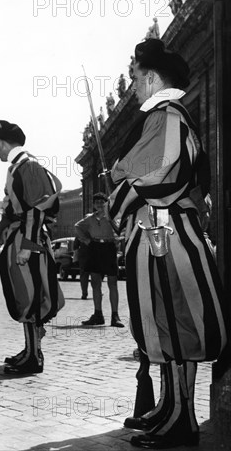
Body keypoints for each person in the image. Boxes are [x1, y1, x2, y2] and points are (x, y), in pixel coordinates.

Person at [108, 39, 228, 449]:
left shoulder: (166, 115)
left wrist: (118, 189)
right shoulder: (167, 116)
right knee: (166, 323)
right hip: (165, 230)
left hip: (167, 233)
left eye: (137, 79)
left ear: (154, 78)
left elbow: (154, 176)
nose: (134, 88)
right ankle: (171, 407)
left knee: (177, 324)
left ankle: (182, 419)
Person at [0, 119, 64, 375]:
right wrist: (0, 232)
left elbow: (37, 209)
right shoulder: (17, 167)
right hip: (19, 237)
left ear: (2, 143)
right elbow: (14, 208)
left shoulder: (28, 166)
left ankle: (34, 357)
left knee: (31, 297)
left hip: (28, 240)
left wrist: (27, 247)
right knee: (24, 295)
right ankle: (31, 349)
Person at [75, 193, 123, 327]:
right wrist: (86, 240)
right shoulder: (89, 219)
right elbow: (77, 227)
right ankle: (98, 314)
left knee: (112, 282)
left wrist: (117, 240)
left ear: (106, 203)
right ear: (94, 205)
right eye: (97, 202)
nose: (99, 205)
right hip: (95, 248)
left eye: (102, 202)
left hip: (109, 248)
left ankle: (115, 316)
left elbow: (121, 229)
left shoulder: (112, 216)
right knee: (95, 283)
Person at [73, 235, 90, 300]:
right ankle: (97, 291)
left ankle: (84, 293)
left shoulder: (80, 231)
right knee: (95, 275)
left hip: (83, 257)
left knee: (84, 276)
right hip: (94, 255)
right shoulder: (94, 229)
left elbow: (75, 246)